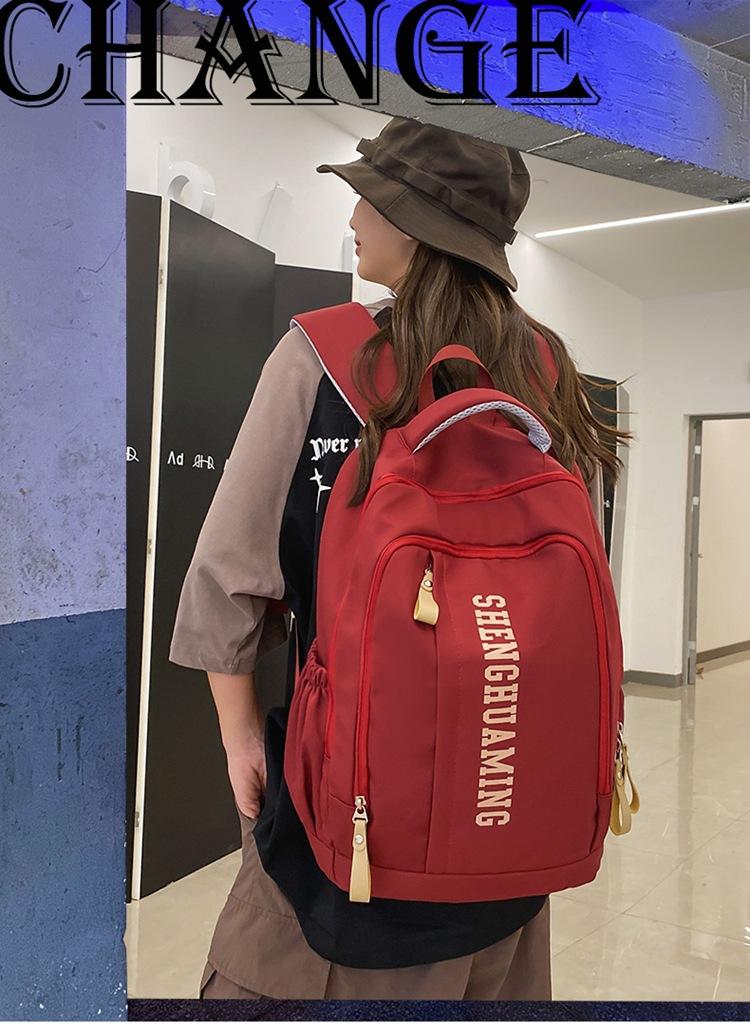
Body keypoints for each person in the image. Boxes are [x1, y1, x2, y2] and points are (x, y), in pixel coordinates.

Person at [168, 116, 629, 1001]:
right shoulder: (547, 371)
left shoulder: (319, 357)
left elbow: (228, 580)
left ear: (418, 224)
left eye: (370, 197)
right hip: (510, 847)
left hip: (341, 859)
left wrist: (238, 739)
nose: (353, 215)